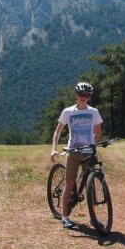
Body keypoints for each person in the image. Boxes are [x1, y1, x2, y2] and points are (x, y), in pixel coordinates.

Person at [50, 82, 103, 229]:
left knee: (90, 184)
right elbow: (57, 132)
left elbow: (98, 133)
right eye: (81, 95)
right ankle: (65, 217)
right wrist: (53, 149)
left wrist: (91, 142)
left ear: (89, 97)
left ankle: (93, 218)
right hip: (72, 152)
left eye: (86, 95)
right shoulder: (68, 112)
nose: (83, 98)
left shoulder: (94, 112)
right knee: (70, 183)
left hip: (88, 152)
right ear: (76, 95)